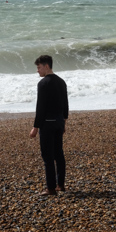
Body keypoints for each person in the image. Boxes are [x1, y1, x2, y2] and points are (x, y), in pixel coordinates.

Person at [29, 55, 69, 196]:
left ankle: (50, 188)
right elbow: (65, 105)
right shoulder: (61, 82)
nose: (38, 71)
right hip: (58, 122)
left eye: (39, 67)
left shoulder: (43, 84)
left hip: (47, 124)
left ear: (46, 66)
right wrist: (64, 122)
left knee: (48, 157)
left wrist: (35, 127)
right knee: (59, 154)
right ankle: (61, 185)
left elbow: (41, 107)